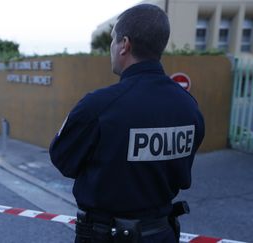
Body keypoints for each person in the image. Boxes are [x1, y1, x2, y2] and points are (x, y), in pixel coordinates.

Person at [49, 4, 205, 243]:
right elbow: (182, 175)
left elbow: (63, 160)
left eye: (113, 40)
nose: (111, 48)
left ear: (125, 45)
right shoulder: (189, 107)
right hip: (162, 234)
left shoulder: (98, 106)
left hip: (106, 236)